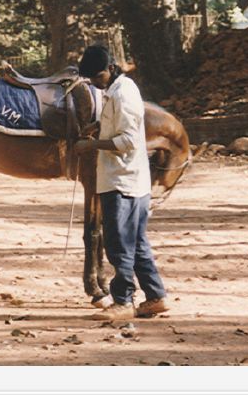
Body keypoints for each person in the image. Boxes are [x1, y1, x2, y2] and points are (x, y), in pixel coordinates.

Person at [74, 45, 169, 321]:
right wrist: (97, 128)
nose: (95, 82)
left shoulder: (123, 94)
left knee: (118, 244)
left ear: (112, 69)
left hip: (121, 181)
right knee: (137, 242)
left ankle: (123, 300)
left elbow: (127, 141)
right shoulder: (115, 91)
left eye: (98, 77)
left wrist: (90, 146)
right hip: (130, 180)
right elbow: (122, 128)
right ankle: (155, 296)